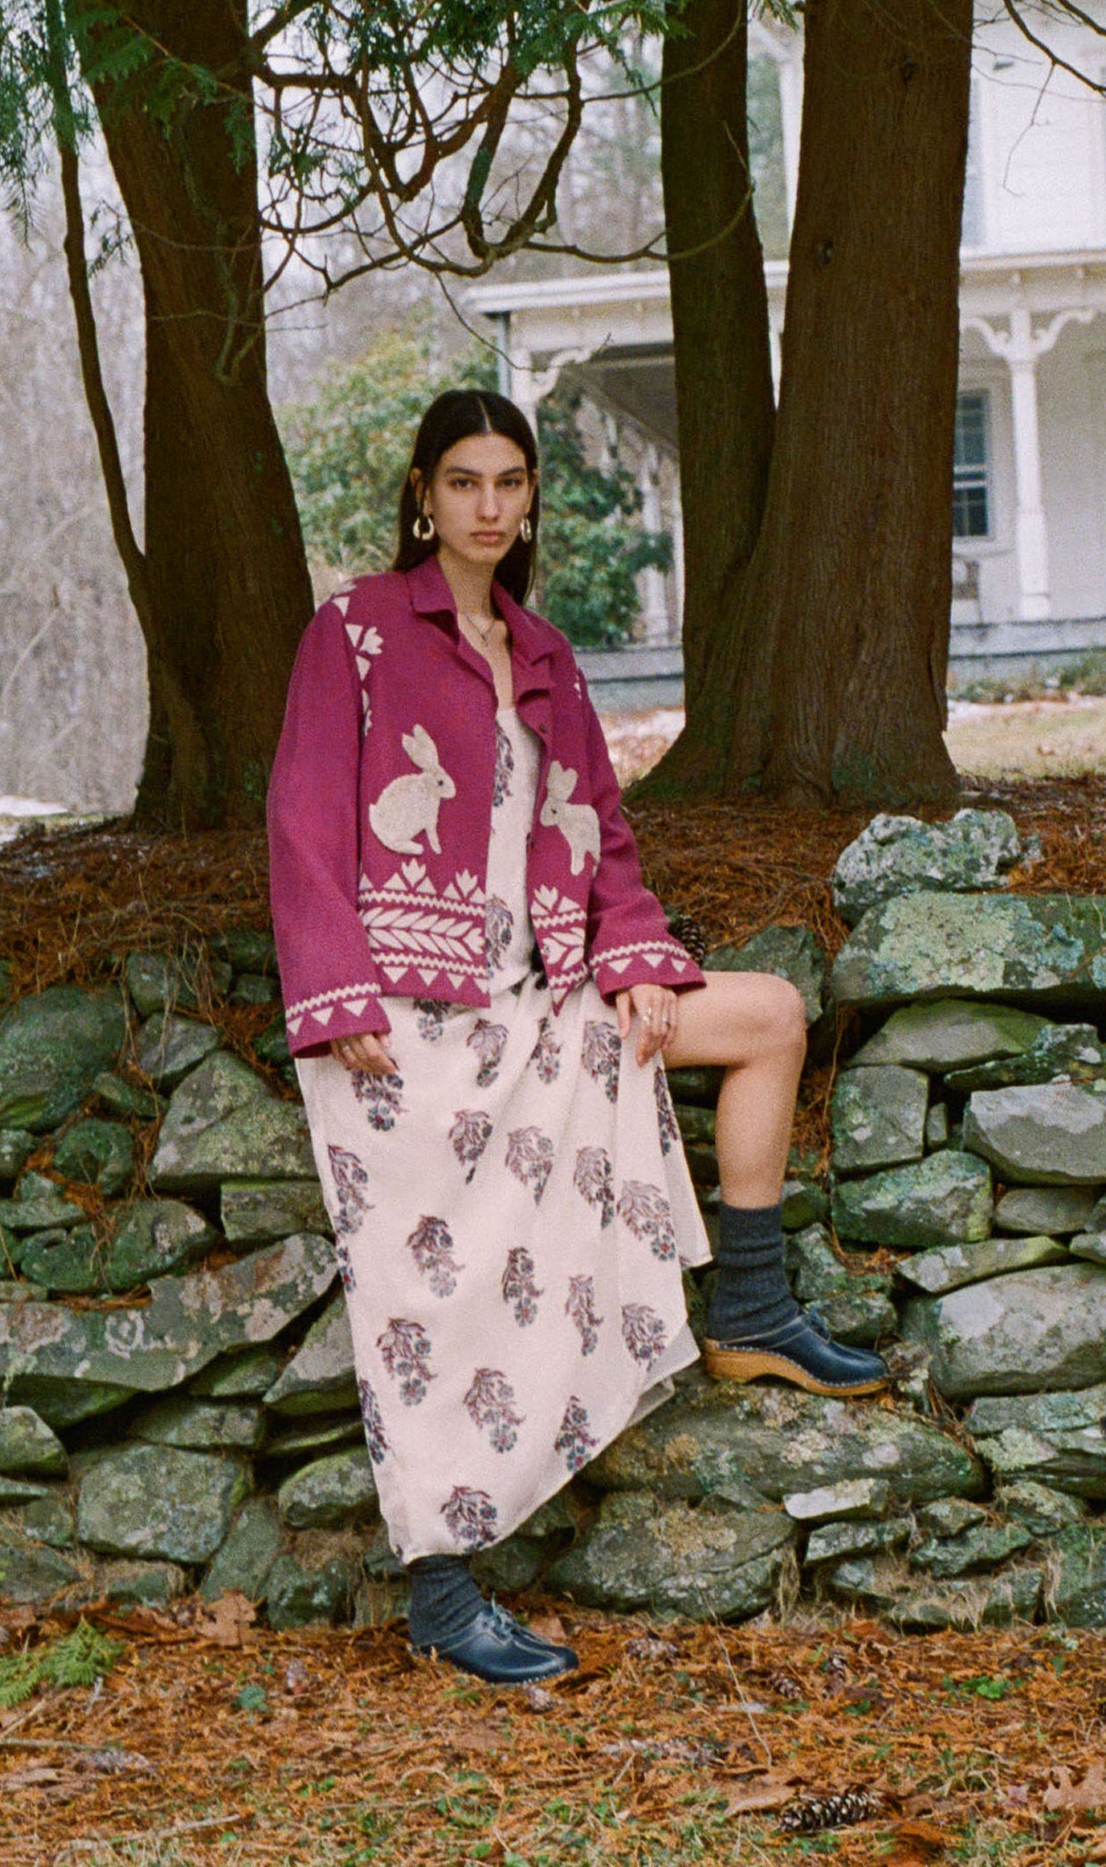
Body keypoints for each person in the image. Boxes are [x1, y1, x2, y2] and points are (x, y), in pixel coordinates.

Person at [265, 388, 885, 1686]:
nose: (489, 507)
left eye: (510, 484)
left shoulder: (546, 654)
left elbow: (604, 831)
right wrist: (337, 996)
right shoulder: (359, 633)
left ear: (532, 498)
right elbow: (305, 815)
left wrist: (637, 958)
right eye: (463, 483)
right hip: (407, 1019)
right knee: (425, 1290)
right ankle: (443, 1590)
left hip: (545, 999)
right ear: (422, 496)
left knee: (768, 1014)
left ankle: (757, 1308)